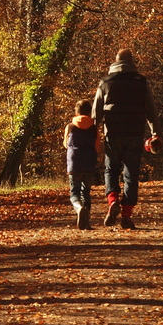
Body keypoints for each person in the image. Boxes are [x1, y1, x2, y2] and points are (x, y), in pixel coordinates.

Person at [93, 49, 158, 229]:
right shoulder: (140, 82)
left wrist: (94, 133)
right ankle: (127, 215)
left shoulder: (105, 82)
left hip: (112, 133)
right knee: (131, 174)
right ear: (132, 61)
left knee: (111, 170)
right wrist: (154, 133)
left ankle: (113, 200)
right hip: (135, 132)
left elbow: (96, 111)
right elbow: (150, 109)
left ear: (115, 61)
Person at [64, 98, 99, 230]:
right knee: (86, 192)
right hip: (89, 162)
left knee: (74, 193)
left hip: (74, 163)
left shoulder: (70, 127)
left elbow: (66, 144)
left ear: (76, 112)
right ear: (90, 112)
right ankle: (87, 221)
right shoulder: (94, 127)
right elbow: (97, 146)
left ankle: (78, 209)